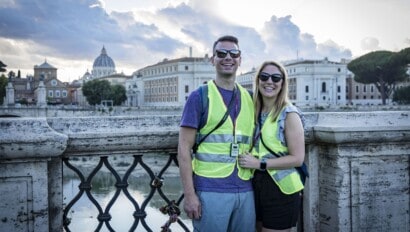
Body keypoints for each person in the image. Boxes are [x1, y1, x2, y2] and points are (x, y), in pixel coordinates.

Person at [177, 35, 255, 232]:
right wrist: (189, 195)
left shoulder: (251, 98)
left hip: (246, 190)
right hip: (210, 191)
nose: (228, 58)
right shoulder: (199, 96)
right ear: (213, 60)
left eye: (233, 54)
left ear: (240, 59)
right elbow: (184, 148)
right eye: (221, 53)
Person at [238, 61, 305, 232]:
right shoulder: (252, 111)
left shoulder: (289, 114)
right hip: (255, 185)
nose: (270, 82)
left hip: (281, 190)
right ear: (257, 80)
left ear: (283, 83)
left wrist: (259, 164)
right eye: (264, 77)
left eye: (276, 78)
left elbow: (298, 158)